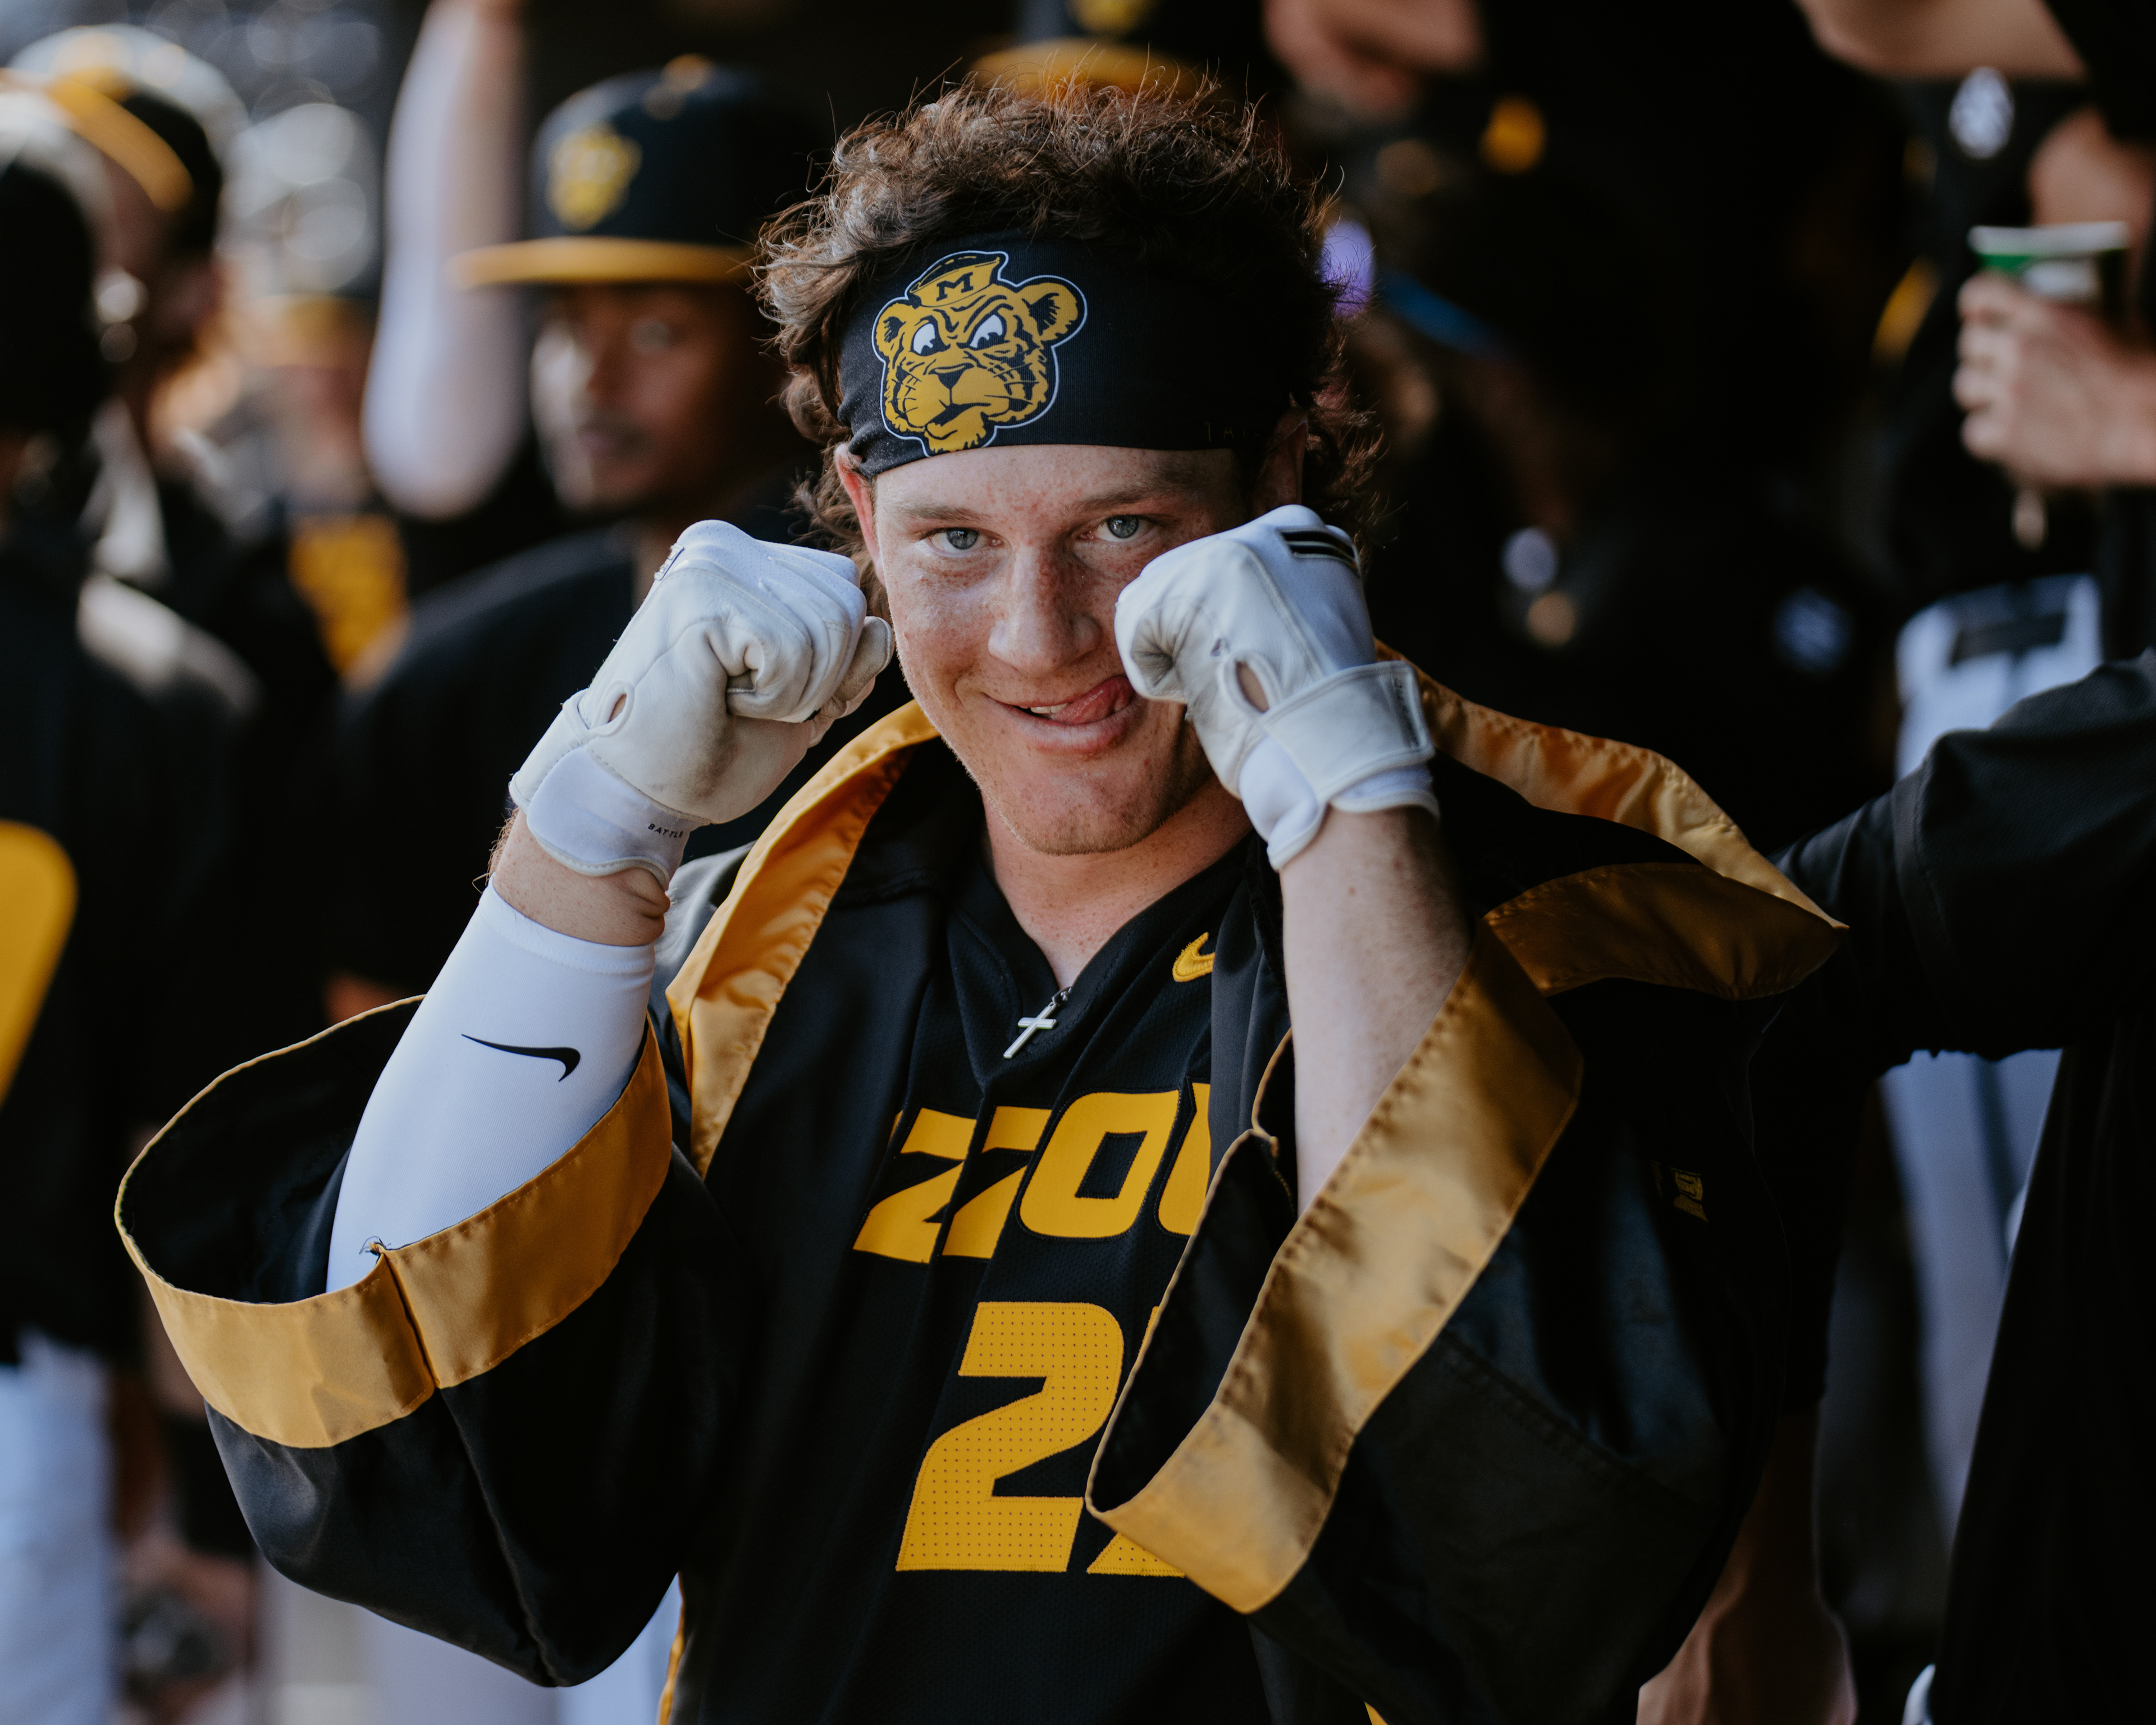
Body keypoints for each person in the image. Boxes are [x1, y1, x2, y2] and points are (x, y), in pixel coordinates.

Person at [122, 82, 1848, 1723]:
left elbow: (1524, 1527)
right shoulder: (773, 937)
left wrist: (1346, 803)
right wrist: (588, 835)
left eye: (1124, 525)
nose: (1041, 636)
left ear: (1284, 489)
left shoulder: (1548, 904)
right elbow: (419, 1458)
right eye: (955, 540)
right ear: (857, 520)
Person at [325, 59, 877, 1012]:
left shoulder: (903, 645)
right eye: (567, 325)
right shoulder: (448, 675)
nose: (589, 378)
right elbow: (374, 1031)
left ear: (799, 346)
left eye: (656, 330)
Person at [0, 102, 242, 1725]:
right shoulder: (159, 700)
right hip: (31, 1422)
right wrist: (210, 1527)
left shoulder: (157, 701)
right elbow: (188, 1152)